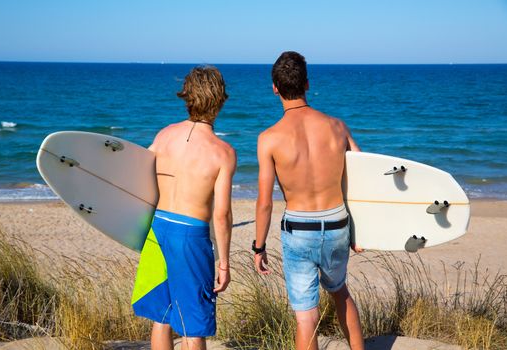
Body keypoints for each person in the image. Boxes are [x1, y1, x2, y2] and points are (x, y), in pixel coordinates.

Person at [253, 51, 365, 350]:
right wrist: (362, 231)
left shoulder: (269, 138)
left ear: (274, 87)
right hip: (338, 223)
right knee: (340, 292)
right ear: (307, 84)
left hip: (299, 230)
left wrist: (259, 246)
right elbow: (362, 180)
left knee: (306, 317)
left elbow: (265, 201)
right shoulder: (337, 127)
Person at [132, 66, 236, 350]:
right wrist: (224, 263)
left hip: (158, 229)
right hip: (190, 236)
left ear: (187, 97)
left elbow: (138, 178)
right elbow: (222, 215)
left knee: (161, 317)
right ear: (220, 99)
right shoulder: (223, 152)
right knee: (192, 327)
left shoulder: (164, 135)